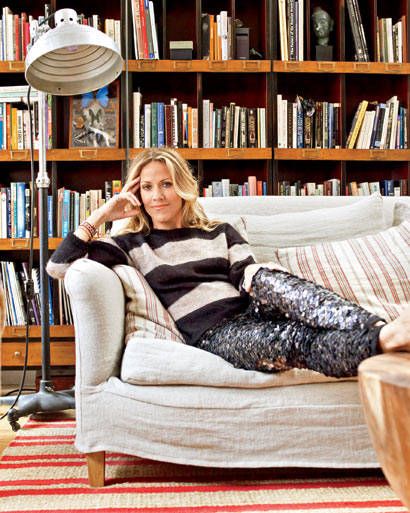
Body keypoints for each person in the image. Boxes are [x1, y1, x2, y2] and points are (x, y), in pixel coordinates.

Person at [46, 148, 410, 378]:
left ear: (183, 187)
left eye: (167, 184)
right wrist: (105, 213)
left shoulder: (219, 231)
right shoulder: (130, 244)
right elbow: (59, 267)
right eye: (147, 186)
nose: (157, 195)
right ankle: (385, 337)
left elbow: (247, 274)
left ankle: (376, 326)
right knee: (295, 342)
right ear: (136, 193)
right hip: (217, 333)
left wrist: (261, 280)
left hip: (255, 307)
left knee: (270, 279)